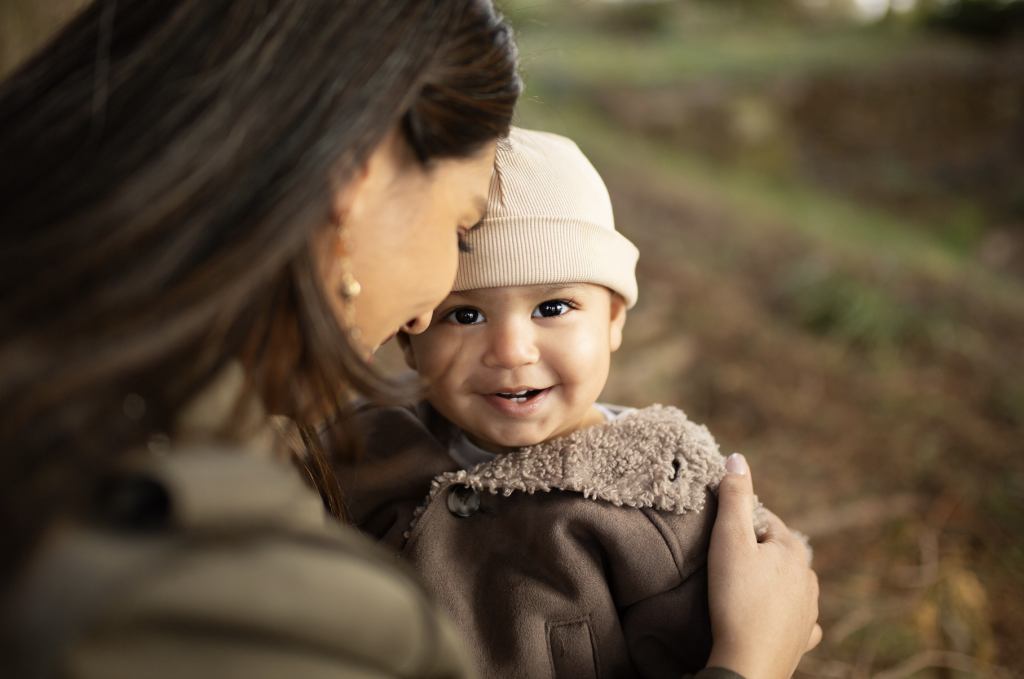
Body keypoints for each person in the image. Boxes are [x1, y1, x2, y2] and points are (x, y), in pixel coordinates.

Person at [0, 0, 820, 677]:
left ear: (616, 315)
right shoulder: (248, 510)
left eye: (554, 308)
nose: (428, 310)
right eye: (460, 228)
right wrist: (750, 666)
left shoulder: (126, 414)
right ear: (355, 183)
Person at [339, 127, 808, 679]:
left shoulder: (663, 500)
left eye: (554, 307)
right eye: (464, 315)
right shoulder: (357, 451)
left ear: (613, 320)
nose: (512, 351)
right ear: (408, 337)